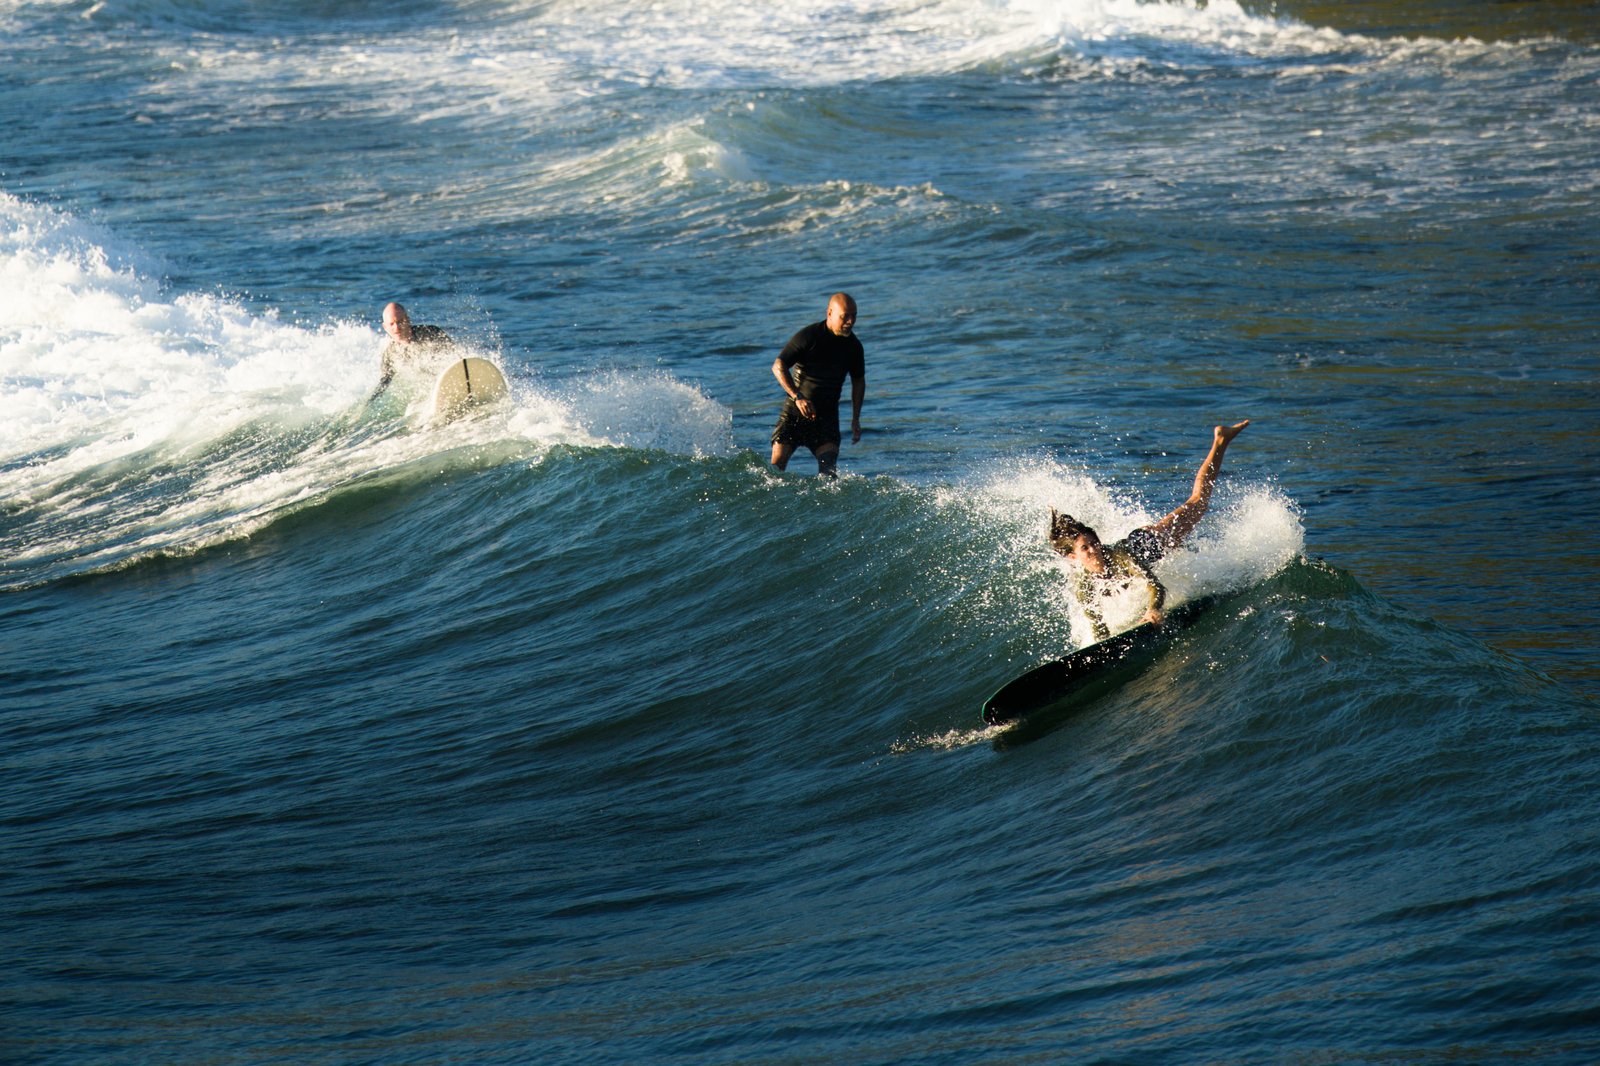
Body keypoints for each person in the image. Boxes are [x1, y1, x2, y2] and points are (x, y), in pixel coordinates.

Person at [1049, 420, 1249, 641]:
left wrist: (1153, 609)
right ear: (1073, 556)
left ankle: (1221, 440)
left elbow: (1154, 585)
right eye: (1085, 548)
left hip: (1151, 541)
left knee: (1198, 502)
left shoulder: (1118, 557)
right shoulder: (1083, 585)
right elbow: (1097, 623)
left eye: (1094, 542)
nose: (1093, 549)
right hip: (1139, 543)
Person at [769, 293, 866, 478]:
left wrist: (855, 418)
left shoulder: (854, 347)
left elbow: (858, 381)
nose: (850, 321)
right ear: (830, 313)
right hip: (795, 413)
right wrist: (797, 397)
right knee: (775, 471)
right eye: (845, 316)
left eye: (854, 316)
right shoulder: (809, 336)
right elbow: (778, 366)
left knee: (829, 476)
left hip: (826, 418)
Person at [372, 302, 456, 397]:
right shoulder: (391, 353)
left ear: (408, 320)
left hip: (446, 379)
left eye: (400, 322)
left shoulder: (430, 333)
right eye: (391, 324)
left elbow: (455, 354)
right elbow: (384, 381)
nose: (396, 328)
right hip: (426, 392)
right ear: (385, 327)